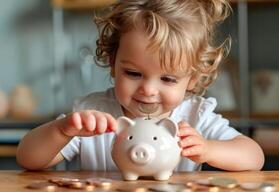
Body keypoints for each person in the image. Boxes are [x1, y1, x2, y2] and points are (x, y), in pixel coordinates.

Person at [17, 0, 264, 172]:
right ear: (113, 63)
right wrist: (62, 130)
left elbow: (254, 156)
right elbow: (27, 158)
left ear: (193, 79)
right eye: (133, 73)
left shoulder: (194, 117)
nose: (148, 90)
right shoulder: (94, 113)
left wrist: (208, 149)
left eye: (167, 79)